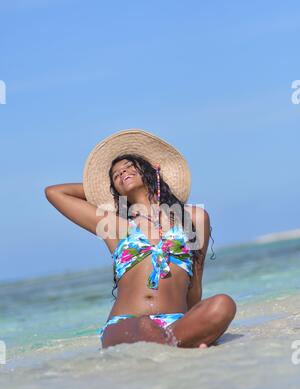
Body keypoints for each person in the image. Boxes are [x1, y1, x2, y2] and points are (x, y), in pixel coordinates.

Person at [45, 128, 236, 349]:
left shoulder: (193, 218)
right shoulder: (115, 226)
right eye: (116, 175)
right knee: (145, 326)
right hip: (127, 323)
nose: (122, 173)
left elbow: (195, 284)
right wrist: (108, 194)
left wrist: (197, 323)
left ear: (151, 171)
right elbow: (54, 193)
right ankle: (180, 345)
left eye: (128, 167)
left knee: (223, 304)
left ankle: (174, 342)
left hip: (176, 322)